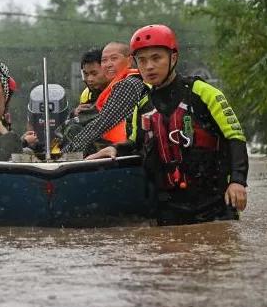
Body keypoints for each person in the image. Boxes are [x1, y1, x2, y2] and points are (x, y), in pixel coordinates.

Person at [88, 24, 248, 226]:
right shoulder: (142, 104)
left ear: (173, 58)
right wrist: (114, 148)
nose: (149, 67)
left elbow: (235, 137)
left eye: (156, 58)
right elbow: (137, 145)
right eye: (142, 60)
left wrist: (237, 181)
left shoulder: (204, 93)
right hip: (168, 211)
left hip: (215, 208)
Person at [61, 42, 146, 155]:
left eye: (114, 58)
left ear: (130, 61)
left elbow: (101, 123)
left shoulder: (129, 84)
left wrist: (64, 155)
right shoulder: (114, 86)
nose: (108, 64)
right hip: (118, 149)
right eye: (104, 60)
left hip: (124, 152)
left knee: (73, 129)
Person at [73, 48, 110, 116]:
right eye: (86, 74)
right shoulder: (86, 94)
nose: (89, 79)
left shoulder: (119, 91)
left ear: (106, 69)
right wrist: (75, 113)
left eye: (94, 74)